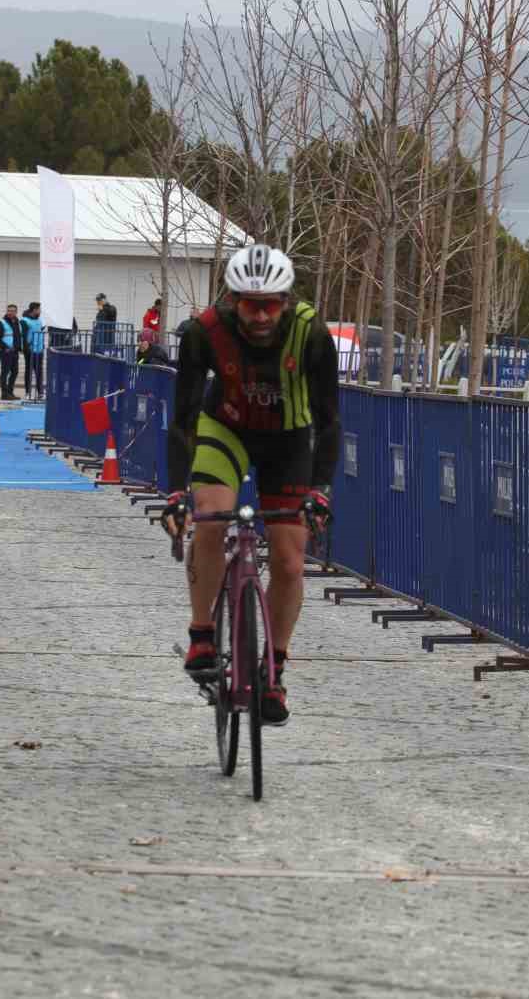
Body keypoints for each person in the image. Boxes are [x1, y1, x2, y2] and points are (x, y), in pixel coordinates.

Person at [161, 244, 340, 726]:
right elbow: (183, 421)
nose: (261, 316)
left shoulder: (311, 334)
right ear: (232, 300)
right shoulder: (204, 332)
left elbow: (329, 421)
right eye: (250, 304)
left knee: (289, 558)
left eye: (270, 305)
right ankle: (202, 633)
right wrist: (177, 493)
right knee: (210, 520)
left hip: (289, 439)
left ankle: (273, 670)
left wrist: (320, 490)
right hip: (225, 429)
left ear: (286, 300)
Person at [0, 304, 22, 400]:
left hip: (15, 351)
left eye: (12, 311)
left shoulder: (17, 322)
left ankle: (10, 392)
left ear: (16, 312)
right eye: (9, 310)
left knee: (15, 372)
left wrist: (19, 348)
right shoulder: (2, 322)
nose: (10, 312)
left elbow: (18, 336)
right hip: (5, 351)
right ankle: (4, 394)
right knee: (5, 372)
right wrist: (5, 347)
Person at [24, 302, 46, 400]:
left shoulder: (39, 321)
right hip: (30, 350)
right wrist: (26, 348)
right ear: (34, 310)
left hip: (39, 350)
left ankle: (40, 392)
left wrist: (42, 346)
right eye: (39, 309)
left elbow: (40, 333)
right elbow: (23, 336)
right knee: (29, 371)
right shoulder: (25, 321)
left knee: (39, 372)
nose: (40, 311)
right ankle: (28, 392)